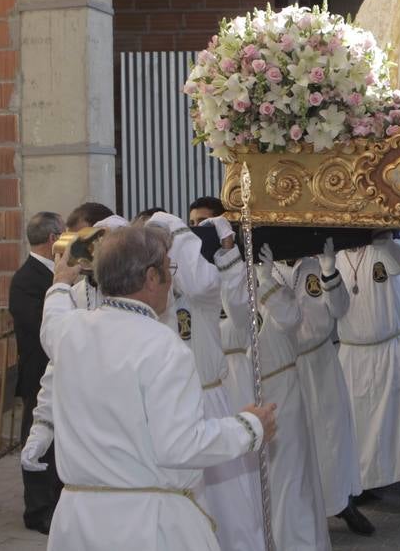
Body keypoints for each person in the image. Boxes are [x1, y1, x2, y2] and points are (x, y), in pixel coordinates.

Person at [39, 224, 277, 549]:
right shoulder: (163, 345)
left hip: (78, 523)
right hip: (144, 526)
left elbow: (51, 317)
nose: (171, 279)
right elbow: (180, 445)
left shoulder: (68, 331)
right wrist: (250, 427)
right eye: (169, 268)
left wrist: (60, 282)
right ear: (152, 277)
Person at [220, 242, 330, 551]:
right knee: (257, 484)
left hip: (283, 393)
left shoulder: (270, 283)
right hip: (242, 396)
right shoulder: (220, 288)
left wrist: (266, 281)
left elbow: (292, 318)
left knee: (291, 478)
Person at [335, 230, 400, 512]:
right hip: (354, 352)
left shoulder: (398, 249)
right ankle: (364, 483)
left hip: (393, 348)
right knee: (358, 423)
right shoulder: (335, 255)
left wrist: (383, 236)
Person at [279, 241, 372, 535]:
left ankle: (342, 502)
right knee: (293, 438)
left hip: (321, 359)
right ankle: (301, 510)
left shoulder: (313, 265)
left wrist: (330, 271)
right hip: (283, 367)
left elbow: (340, 308)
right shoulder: (259, 270)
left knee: (333, 434)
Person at [7, 211, 65, 534]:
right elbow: (39, 326)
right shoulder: (27, 279)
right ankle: (38, 509)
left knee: (57, 444)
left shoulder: (58, 274)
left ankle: (56, 501)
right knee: (38, 440)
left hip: (59, 374)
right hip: (38, 376)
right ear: (54, 239)